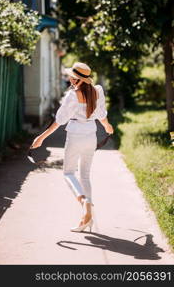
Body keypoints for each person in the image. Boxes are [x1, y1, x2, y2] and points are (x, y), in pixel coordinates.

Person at [31, 62, 114, 232]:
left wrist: (41, 137)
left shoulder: (72, 96)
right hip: (91, 136)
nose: (69, 78)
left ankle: (84, 201)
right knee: (85, 175)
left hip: (75, 136)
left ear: (78, 80)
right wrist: (107, 127)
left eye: (72, 77)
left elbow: (59, 121)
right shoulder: (97, 91)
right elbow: (101, 115)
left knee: (68, 173)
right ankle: (86, 217)